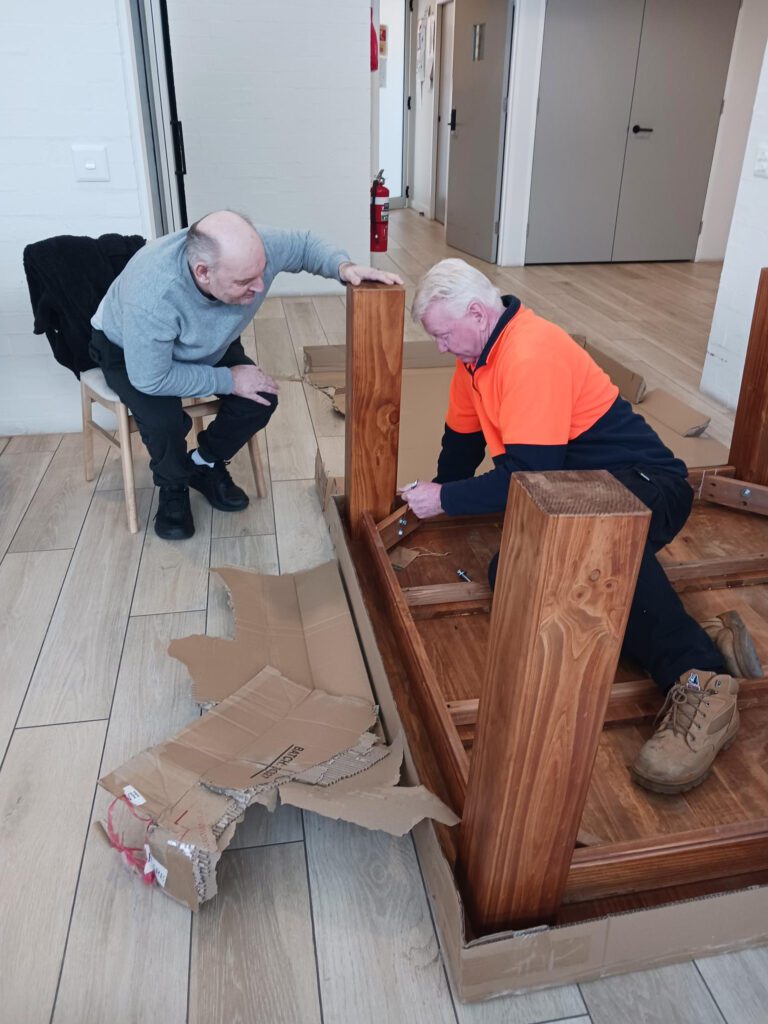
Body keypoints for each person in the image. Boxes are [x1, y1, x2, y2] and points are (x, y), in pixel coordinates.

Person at [400, 257, 761, 796]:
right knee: (512, 573)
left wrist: (446, 499)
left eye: (443, 334)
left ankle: (701, 678)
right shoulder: (476, 358)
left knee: (593, 557)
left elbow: (528, 477)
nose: (440, 347)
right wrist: (434, 498)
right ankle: (698, 632)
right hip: (578, 490)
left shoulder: (528, 353)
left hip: (647, 487)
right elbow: (461, 444)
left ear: (476, 313)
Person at [90, 210, 401, 540]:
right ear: (203, 272)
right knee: (164, 421)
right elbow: (151, 379)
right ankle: (173, 485)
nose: (260, 286)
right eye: (244, 282)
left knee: (260, 397)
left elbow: (304, 245)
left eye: (261, 272)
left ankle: (203, 464)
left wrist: (343, 267)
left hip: (205, 343)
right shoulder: (152, 296)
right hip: (132, 353)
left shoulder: (254, 249)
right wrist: (229, 379)